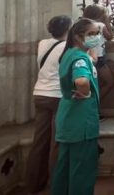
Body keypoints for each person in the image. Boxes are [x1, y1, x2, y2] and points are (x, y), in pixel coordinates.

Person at [51, 18, 102, 195]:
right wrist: (86, 92)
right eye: (91, 34)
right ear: (79, 37)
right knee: (82, 170)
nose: (96, 37)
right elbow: (81, 80)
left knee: (64, 168)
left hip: (69, 120)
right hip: (82, 123)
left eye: (97, 33)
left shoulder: (70, 54)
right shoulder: (80, 58)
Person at [25, 15, 72, 194]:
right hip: (57, 96)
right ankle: (57, 184)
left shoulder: (43, 43)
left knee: (40, 141)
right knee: (57, 141)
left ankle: (33, 183)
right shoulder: (66, 48)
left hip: (40, 94)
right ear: (68, 29)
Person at [82, 4, 114, 120]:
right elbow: (110, 37)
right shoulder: (100, 25)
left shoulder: (81, 25)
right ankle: (94, 106)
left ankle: (89, 107)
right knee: (109, 82)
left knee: (88, 85)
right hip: (98, 58)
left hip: (84, 57)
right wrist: (107, 22)